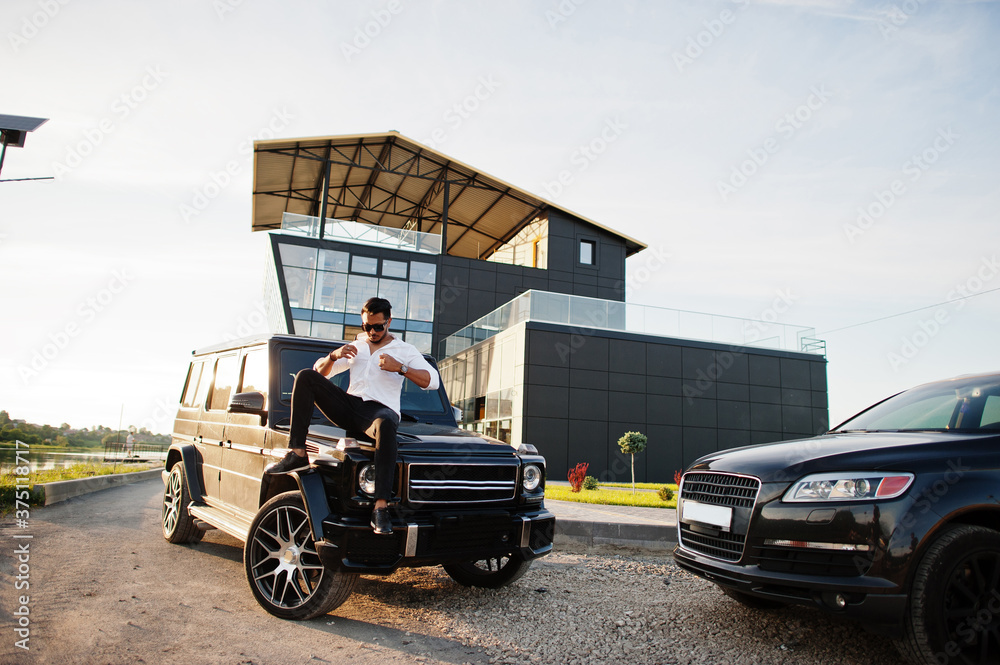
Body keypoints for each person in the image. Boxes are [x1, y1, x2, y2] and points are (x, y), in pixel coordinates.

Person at [265, 297, 439, 535]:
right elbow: (321, 373)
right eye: (367, 326)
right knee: (306, 376)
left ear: (389, 322)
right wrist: (334, 356)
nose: (373, 331)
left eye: (378, 326)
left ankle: (380, 508)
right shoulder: (357, 345)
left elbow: (432, 382)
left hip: (379, 411)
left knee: (387, 423)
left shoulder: (404, 350)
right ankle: (297, 453)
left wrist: (401, 368)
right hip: (349, 406)